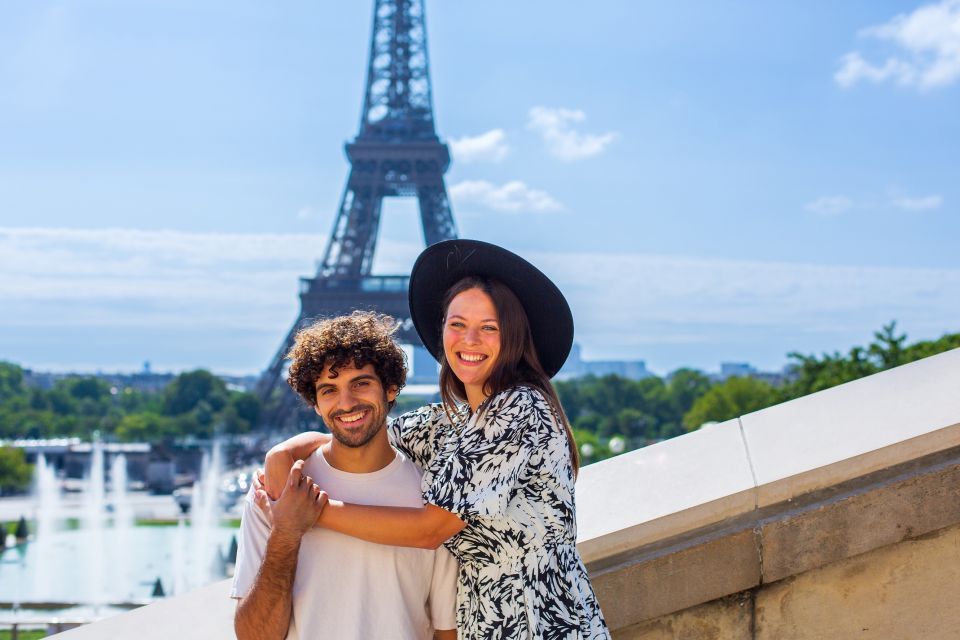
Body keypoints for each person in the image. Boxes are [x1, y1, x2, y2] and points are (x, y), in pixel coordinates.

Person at [263, 239, 611, 639]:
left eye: (489, 327)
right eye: (458, 324)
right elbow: (360, 428)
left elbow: (431, 529)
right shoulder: (453, 423)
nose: (469, 339)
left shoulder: (521, 408)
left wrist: (311, 511)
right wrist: (282, 453)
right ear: (443, 329)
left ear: (513, 336)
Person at [232, 311, 457, 640]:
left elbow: (444, 631)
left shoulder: (434, 497)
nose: (346, 403)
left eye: (360, 384)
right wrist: (285, 533)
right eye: (328, 390)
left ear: (391, 389)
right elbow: (255, 637)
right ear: (315, 405)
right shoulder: (274, 493)